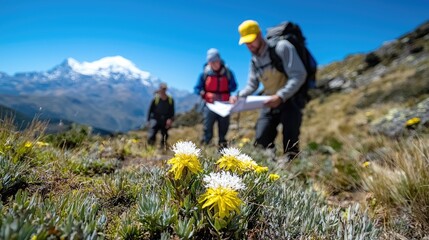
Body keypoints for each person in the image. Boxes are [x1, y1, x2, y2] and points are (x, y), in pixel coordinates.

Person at [230, 20, 307, 160]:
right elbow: (252, 85)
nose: (249, 45)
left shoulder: (282, 48)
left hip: (290, 100)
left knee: (290, 143)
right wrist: (239, 95)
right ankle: (269, 169)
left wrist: (281, 96)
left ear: (259, 35)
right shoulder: (254, 60)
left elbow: (299, 75)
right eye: (246, 42)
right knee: (261, 140)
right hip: (268, 102)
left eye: (251, 40)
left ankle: (293, 171)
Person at [194, 48, 237, 149]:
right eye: (211, 62)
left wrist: (227, 94)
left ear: (219, 60)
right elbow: (197, 88)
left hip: (225, 104)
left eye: (215, 61)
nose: (213, 64)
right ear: (208, 62)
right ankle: (206, 147)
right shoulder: (204, 74)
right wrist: (205, 94)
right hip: (210, 105)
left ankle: (222, 148)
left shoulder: (228, 72)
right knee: (207, 127)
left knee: (223, 128)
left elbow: (234, 86)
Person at [147, 82, 175, 149]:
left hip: (165, 120)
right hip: (155, 119)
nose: (163, 90)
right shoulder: (155, 99)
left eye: (164, 89)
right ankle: (150, 148)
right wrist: (148, 121)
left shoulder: (170, 100)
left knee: (165, 135)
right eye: (162, 89)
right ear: (160, 89)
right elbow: (150, 110)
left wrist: (170, 120)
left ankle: (162, 148)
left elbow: (172, 111)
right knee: (152, 134)